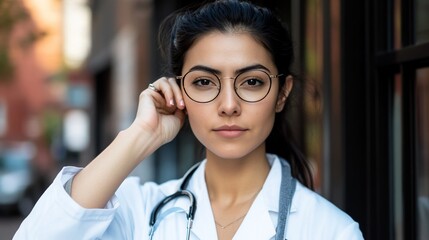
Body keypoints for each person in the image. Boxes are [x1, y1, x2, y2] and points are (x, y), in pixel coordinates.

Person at [14, 0, 364, 239]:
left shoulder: (330, 230)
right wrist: (140, 135)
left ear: (282, 93)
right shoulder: (141, 209)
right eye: (204, 82)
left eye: (252, 82)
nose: (229, 105)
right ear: (180, 92)